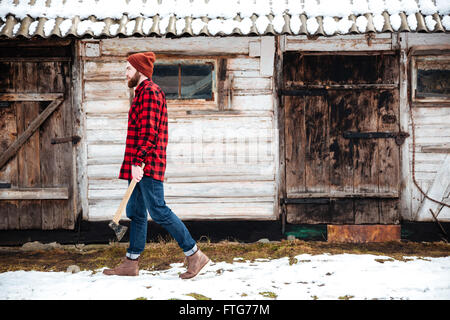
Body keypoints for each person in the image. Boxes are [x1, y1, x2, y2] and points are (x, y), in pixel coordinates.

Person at [103, 52, 210, 278]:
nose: (125, 73)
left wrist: (138, 162)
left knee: (159, 211)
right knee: (136, 212)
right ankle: (131, 263)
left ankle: (195, 255)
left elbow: (149, 134)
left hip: (147, 165)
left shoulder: (150, 93)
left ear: (140, 71)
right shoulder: (141, 93)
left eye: (128, 69)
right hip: (140, 164)